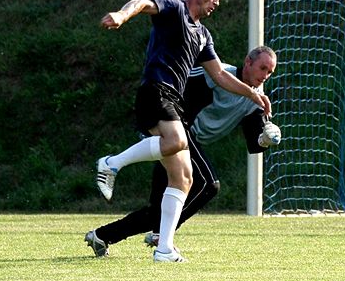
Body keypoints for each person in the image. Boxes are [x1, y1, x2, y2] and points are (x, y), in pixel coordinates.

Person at [95, 0, 270, 263]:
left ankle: (164, 249)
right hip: (156, 90)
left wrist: (252, 94)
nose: (217, 2)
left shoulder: (203, 35)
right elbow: (141, 2)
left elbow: (220, 76)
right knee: (176, 141)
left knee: (185, 178)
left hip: (173, 99)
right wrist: (123, 15)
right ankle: (111, 164)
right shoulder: (175, 9)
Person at [84, 46, 278, 258]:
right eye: (262, 68)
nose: (265, 76)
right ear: (248, 62)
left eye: (270, 72)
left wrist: (266, 138)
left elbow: (255, 142)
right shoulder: (217, 73)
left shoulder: (257, 101)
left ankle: (102, 236)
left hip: (185, 142)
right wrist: (159, 127)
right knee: (207, 184)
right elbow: (175, 86)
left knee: (159, 210)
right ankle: (161, 235)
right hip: (179, 133)